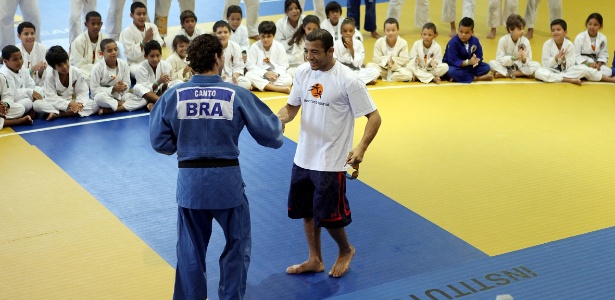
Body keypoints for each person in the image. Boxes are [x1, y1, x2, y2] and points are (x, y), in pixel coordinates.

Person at [149, 33, 283, 300]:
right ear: (217, 58)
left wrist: (185, 140)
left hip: (190, 184)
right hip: (227, 184)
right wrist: (278, 123)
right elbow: (271, 136)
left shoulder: (174, 95)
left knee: (190, 250)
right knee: (237, 244)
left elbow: (160, 142)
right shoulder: (235, 94)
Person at [278, 28, 381, 278]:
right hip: (303, 156)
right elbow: (291, 108)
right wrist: (279, 119)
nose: (309, 57)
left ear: (330, 51)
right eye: (306, 51)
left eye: (315, 52)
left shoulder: (348, 79)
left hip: (332, 159)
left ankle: (345, 250)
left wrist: (361, 147)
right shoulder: (303, 72)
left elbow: (374, 117)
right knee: (307, 211)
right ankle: (315, 259)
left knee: (330, 215)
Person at [33, 46, 98, 120]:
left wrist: (79, 104)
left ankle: (60, 114)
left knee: (95, 104)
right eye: (60, 65)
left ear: (68, 59)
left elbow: (83, 92)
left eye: (65, 62)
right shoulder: (50, 76)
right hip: (58, 103)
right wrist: (68, 104)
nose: (64, 67)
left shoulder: (76, 72)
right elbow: (51, 97)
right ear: (54, 67)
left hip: (74, 101)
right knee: (37, 105)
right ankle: (72, 112)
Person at [91, 38, 147, 115]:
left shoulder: (124, 64)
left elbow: (127, 83)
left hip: (121, 95)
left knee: (143, 100)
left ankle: (110, 109)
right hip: (106, 97)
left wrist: (123, 87)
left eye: (115, 49)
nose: (114, 52)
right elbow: (94, 90)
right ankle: (119, 104)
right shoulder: (97, 68)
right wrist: (113, 89)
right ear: (101, 53)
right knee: (98, 98)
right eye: (109, 51)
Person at [245, 21, 293, 94]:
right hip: (260, 74)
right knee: (248, 75)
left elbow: (283, 65)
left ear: (273, 36)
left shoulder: (279, 46)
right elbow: (250, 66)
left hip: (274, 76)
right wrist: (265, 73)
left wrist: (276, 74)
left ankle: (259, 86)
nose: (265, 40)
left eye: (268, 36)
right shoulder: (254, 47)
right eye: (263, 36)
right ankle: (278, 89)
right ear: (259, 35)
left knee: (288, 79)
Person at [534, 19, 586, 85]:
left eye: (558, 30)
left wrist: (564, 60)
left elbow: (571, 65)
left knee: (583, 70)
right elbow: (545, 65)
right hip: (552, 70)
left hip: (566, 71)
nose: (555, 32)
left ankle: (558, 78)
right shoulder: (547, 44)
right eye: (553, 30)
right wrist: (555, 59)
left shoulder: (570, 45)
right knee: (538, 72)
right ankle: (568, 80)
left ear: (565, 32)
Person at [489, 14, 540, 79]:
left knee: (537, 65)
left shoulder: (525, 41)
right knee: (491, 64)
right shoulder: (503, 40)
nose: (522, 31)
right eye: (519, 29)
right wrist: (514, 57)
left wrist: (524, 59)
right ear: (510, 29)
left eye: (523, 29)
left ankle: (506, 74)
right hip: (506, 65)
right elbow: (499, 59)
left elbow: (529, 60)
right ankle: (522, 74)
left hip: (520, 66)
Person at [120, 1, 164, 76]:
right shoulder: (127, 32)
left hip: (153, 59)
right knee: (140, 72)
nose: (142, 17)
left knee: (166, 67)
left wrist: (151, 44)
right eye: (138, 14)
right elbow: (131, 54)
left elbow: (159, 44)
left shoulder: (152, 27)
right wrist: (145, 39)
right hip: (136, 63)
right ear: (132, 15)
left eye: (144, 14)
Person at [443, 17, 493, 83]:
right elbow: (452, 61)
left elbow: (479, 56)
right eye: (461, 32)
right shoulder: (453, 43)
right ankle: (476, 78)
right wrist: (468, 62)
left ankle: (461, 77)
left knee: (486, 67)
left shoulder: (475, 41)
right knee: (451, 71)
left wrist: (476, 61)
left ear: (472, 32)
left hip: (469, 67)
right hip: (455, 67)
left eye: (467, 33)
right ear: (458, 30)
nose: (463, 35)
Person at [133, 40, 181, 108]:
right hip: (148, 95)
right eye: (152, 56)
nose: (155, 59)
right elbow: (146, 89)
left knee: (179, 82)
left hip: (161, 93)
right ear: (145, 56)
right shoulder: (140, 68)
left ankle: (155, 103)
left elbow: (164, 88)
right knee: (137, 87)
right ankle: (161, 101)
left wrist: (165, 82)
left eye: (158, 56)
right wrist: (159, 82)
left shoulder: (165, 65)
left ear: (161, 55)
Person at [333, 18, 379, 85]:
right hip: (342, 72)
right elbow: (334, 61)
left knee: (375, 71)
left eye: (350, 31)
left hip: (355, 71)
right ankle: (358, 81)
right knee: (335, 75)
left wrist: (351, 49)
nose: (348, 33)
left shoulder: (358, 43)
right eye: (345, 31)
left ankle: (351, 81)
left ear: (354, 32)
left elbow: (359, 64)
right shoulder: (336, 44)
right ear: (341, 32)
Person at [1, 45, 43, 117]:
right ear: (5, 61)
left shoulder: (21, 67)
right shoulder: (4, 74)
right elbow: (12, 95)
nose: (20, 62)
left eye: (21, 58)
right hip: (13, 101)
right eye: (15, 60)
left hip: (24, 96)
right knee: (27, 103)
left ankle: (36, 107)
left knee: (42, 90)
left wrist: (32, 94)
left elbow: (30, 84)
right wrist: (29, 92)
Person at [366, 18, 412, 82]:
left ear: (398, 30)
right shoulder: (379, 42)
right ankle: (388, 76)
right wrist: (386, 61)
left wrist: (393, 62)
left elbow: (404, 59)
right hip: (382, 68)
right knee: (369, 65)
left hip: (397, 69)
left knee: (408, 75)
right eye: (388, 30)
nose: (390, 33)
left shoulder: (403, 43)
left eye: (393, 30)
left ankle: (383, 76)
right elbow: (376, 59)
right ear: (384, 31)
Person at [70, 11, 108, 82]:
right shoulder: (79, 41)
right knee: (82, 79)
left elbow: (109, 59)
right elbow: (79, 64)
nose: (96, 26)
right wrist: (96, 71)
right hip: (83, 71)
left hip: (101, 71)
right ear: (86, 24)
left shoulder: (105, 40)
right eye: (93, 24)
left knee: (113, 75)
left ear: (101, 24)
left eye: (98, 24)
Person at [213, 21, 251, 90]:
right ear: (214, 34)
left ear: (230, 33)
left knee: (246, 83)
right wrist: (218, 77)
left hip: (230, 79)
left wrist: (235, 77)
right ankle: (228, 88)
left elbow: (239, 66)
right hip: (216, 79)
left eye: (225, 32)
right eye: (219, 33)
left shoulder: (235, 46)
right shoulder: (211, 47)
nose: (223, 35)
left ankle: (224, 88)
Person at [574, 13, 612, 77]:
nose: (592, 27)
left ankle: (591, 75)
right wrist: (588, 64)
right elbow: (575, 55)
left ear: (600, 26)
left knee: (608, 71)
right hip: (583, 63)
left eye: (595, 25)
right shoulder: (580, 37)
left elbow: (603, 54)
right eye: (590, 24)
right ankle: (597, 76)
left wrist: (598, 65)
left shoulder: (602, 38)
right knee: (583, 70)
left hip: (595, 63)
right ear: (587, 24)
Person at [16, 22, 47, 87]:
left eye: (32, 33)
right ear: (19, 36)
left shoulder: (42, 49)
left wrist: (41, 71)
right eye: (26, 34)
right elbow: (16, 75)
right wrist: (32, 69)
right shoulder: (15, 51)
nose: (30, 36)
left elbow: (47, 74)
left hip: (40, 86)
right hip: (22, 87)